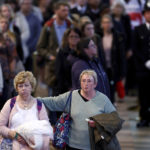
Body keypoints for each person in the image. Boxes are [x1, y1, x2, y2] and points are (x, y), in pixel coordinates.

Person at [38, 69, 119, 150]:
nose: (86, 84)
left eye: (89, 81)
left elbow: (115, 119)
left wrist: (98, 123)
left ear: (95, 84)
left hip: (94, 146)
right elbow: (53, 102)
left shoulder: (103, 99)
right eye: (83, 81)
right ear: (80, 83)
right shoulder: (71, 96)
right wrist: (33, 100)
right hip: (72, 145)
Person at [0, 71, 53, 149]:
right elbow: (0, 126)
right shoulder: (10, 103)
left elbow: (46, 128)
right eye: (20, 86)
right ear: (16, 88)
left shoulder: (39, 105)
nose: (23, 88)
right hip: (13, 145)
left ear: (32, 87)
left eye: (26, 85)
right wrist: (13, 134)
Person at [36, 1, 72, 96]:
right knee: (53, 96)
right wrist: (50, 57)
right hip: (53, 66)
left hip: (67, 65)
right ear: (56, 11)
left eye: (67, 10)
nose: (66, 13)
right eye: (63, 10)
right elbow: (40, 47)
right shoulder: (48, 27)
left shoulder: (69, 25)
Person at [98, 14, 126, 103]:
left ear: (112, 24)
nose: (107, 24)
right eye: (105, 22)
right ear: (101, 24)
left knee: (112, 90)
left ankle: (111, 108)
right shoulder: (98, 37)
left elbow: (121, 55)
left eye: (109, 22)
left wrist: (123, 71)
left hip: (113, 67)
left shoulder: (117, 37)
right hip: (102, 67)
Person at [133, 1, 150, 127]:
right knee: (143, 94)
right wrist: (145, 61)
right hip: (143, 69)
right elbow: (136, 49)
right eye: (148, 13)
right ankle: (144, 117)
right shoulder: (138, 30)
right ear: (144, 14)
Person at [55, 27, 81, 96]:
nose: (73, 38)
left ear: (80, 38)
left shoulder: (82, 53)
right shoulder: (62, 52)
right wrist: (68, 87)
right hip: (64, 88)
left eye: (76, 36)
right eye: (71, 36)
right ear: (67, 38)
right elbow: (59, 73)